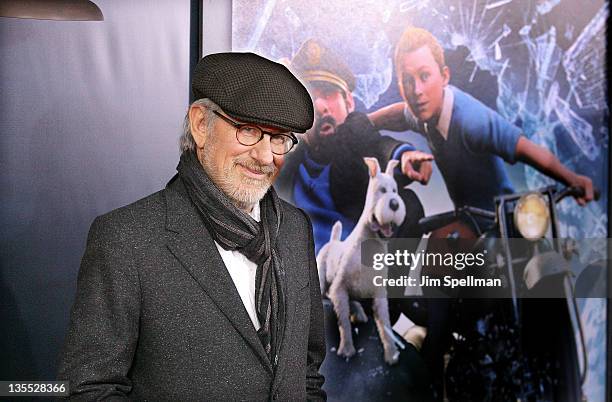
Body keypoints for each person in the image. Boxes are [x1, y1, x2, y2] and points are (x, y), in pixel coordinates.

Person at [58, 52, 326, 401]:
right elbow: (88, 389)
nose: (265, 157)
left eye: (279, 139)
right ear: (201, 124)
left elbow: (305, 371)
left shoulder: (294, 229)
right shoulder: (126, 238)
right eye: (248, 131)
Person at [370, 26, 595, 400]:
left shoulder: (471, 121)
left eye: (425, 77)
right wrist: (363, 124)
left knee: (446, 260)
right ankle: (440, 364)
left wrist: (573, 179)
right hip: (470, 219)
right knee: (435, 260)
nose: (417, 89)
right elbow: (398, 113)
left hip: (501, 223)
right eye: (407, 80)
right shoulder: (421, 110)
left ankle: (439, 361)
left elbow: (526, 149)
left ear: (444, 76)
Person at [275, 39, 433, 255]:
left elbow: (376, 146)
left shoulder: (356, 143)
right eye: (310, 96)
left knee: (407, 203)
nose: (321, 106)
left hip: (357, 271)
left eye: (329, 94)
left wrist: (404, 156)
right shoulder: (286, 157)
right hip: (296, 274)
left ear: (349, 102)